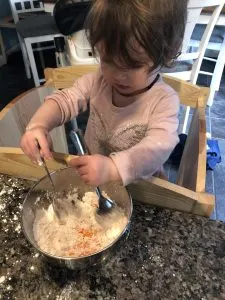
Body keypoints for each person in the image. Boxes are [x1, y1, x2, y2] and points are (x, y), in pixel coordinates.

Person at [20, 0, 188, 187]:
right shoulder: (99, 80)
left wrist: (113, 168)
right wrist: (38, 125)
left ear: (167, 52)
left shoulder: (164, 101)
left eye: (133, 65)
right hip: (95, 180)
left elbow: (159, 146)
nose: (117, 75)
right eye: (107, 60)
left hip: (142, 187)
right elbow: (65, 100)